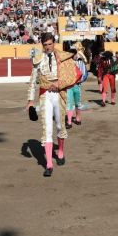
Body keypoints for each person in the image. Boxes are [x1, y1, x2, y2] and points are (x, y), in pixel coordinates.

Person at [26, 33, 78, 177]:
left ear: (54, 43)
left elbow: (71, 75)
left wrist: (59, 83)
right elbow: (32, 80)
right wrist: (30, 101)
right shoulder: (38, 58)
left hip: (59, 94)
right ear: (42, 45)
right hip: (45, 96)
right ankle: (49, 164)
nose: (48, 47)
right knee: (47, 128)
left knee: (60, 126)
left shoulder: (63, 57)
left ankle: (60, 151)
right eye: (45, 45)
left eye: (50, 44)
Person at [65, 43, 88, 128]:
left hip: (75, 86)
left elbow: (84, 74)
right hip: (70, 86)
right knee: (70, 103)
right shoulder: (67, 62)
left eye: (74, 53)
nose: (74, 55)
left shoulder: (79, 62)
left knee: (77, 103)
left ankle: (77, 119)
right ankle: (70, 121)